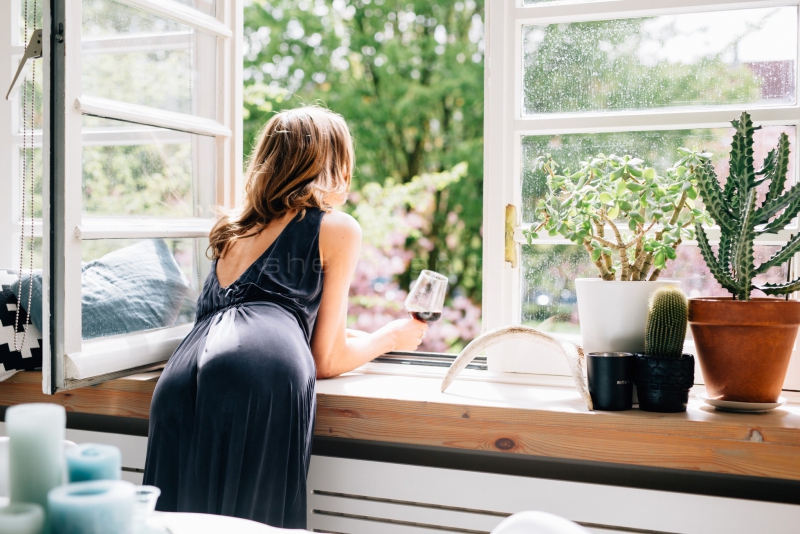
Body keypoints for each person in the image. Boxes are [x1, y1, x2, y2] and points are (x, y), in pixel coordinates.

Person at [142, 106, 427, 528]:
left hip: (180, 381)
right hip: (255, 378)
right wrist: (391, 336)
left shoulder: (231, 231)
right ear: (333, 165)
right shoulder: (335, 228)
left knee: (174, 524)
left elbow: (257, 313)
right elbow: (326, 360)